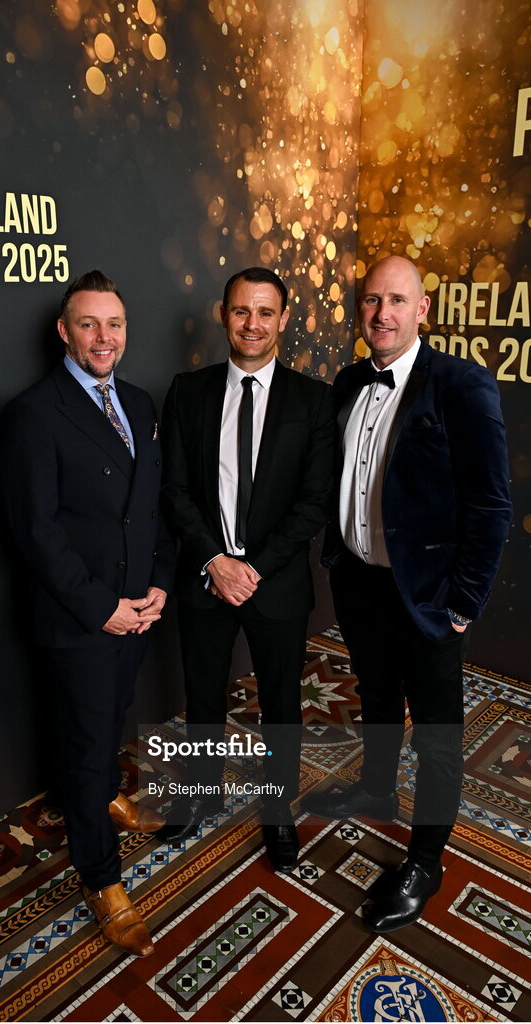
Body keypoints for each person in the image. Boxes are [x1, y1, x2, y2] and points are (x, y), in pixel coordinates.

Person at [304, 255, 511, 930]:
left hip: (425, 596)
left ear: (422, 310)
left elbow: (490, 506)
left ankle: (426, 857)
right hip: (358, 583)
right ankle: (373, 787)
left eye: (396, 300)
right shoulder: (345, 382)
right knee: (375, 696)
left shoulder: (461, 385)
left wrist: (461, 604)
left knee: (439, 735)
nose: (381, 314)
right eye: (370, 301)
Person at [0, 270, 174, 957]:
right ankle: (101, 878)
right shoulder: (32, 413)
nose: (104, 338)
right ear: (63, 332)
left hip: (139, 610)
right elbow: (35, 532)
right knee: (82, 742)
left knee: (111, 722)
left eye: (115, 325)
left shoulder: (136, 401)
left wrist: (158, 584)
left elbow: (151, 504)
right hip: (83, 617)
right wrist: (103, 608)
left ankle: (107, 796)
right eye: (89, 325)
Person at [157, 267, 334, 871]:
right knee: (203, 698)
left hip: (276, 583)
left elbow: (313, 503)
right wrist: (215, 561)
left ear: (284, 319)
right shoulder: (189, 391)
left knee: (281, 704)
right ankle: (201, 794)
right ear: (222, 314)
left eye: (265, 312)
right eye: (240, 311)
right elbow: (174, 489)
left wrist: (251, 568)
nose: (252, 324)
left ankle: (278, 811)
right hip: (206, 578)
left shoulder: (312, 400)